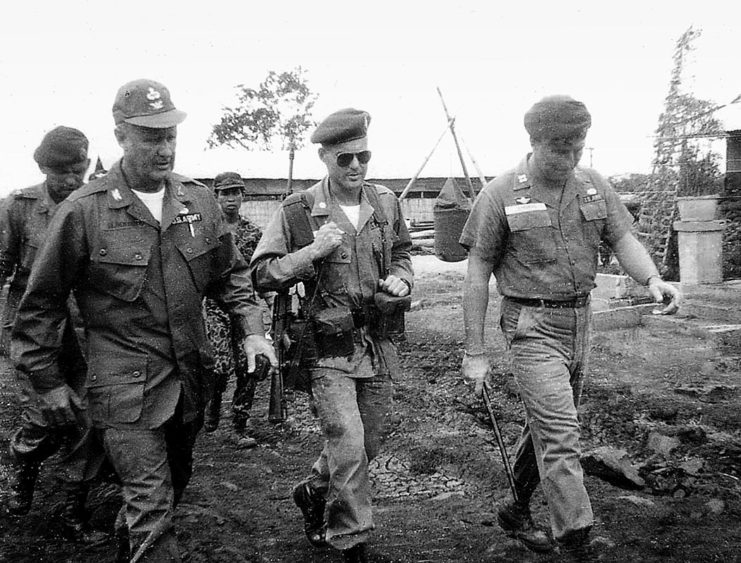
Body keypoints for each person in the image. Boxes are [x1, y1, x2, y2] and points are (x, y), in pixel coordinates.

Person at [11, 79, 276, 563]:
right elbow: (40, 306)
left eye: (170, 135)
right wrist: (48, 383)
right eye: (151, 136)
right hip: (124, 389)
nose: (165, 148)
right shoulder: (83, 212)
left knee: (168, 494)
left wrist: (253, 329)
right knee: (153, 513)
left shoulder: (198, 202)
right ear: (120, 136)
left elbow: (232, 275)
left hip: (191, 382)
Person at [459, 95, 681, 561]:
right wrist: (474, 350)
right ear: (535, 142)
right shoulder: (500, 194)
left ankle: (516, 506)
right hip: (531, 324)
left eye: (579, 146)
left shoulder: (594, 185)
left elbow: (622, 238)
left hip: (581, 321)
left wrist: (654, 279)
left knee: (549, 425)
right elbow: (478, 270)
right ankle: (575, 536)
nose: (572, 157)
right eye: (561, 148)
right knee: (562, 435)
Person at [251, 108, 413, 563]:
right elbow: (262, 273)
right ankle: (352, 538)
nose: (356, 166)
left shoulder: (384, 202)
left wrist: (401, 279)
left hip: (377, 342)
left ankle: (312, 490)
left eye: (363, 155)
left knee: (369, 442)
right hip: (326, 348)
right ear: (324, 158)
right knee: (346, 441)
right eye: (345, 159)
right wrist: (311, 252)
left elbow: (401, 252)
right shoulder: (297, 209)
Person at [0, 126, 105, 543]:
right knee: (43, 418)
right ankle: (23, 470)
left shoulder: (93, 204)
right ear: (44, 169)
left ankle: (73, 513)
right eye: (62, 173)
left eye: (79, 171)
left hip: (84, 330)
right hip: (34, 333)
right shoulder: (19, 207)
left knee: (87, 417)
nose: (72, 181)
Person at [204, 171, 268, 446]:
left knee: (248, 367)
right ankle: (212, 407)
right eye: (225, 193)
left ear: (243, 196)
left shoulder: (253, 233)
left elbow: (259, 274)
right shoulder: (208, 230)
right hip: (216, 307)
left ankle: (239, 425)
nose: (231, 199)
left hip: (243, 309)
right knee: (219, 367)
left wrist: (269, 301)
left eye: (235, 193)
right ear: (216, 196)